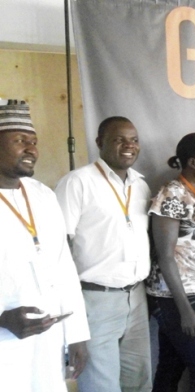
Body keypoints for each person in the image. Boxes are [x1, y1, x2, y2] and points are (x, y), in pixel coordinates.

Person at [55, 116, 153, 392]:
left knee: (139, 380)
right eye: (119, 139)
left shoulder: (140, 185)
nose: (128, 145)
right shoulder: (77, 183)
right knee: (101, 385)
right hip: (95, 298)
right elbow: (57, 246)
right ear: (100, 143)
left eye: (133, 140)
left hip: (136, 296)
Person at [0, 100, 90, 392]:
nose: (32, 149)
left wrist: (76, 333)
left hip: (47, 336)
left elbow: (64, 266)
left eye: (34, 142)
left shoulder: (43, 196)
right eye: (20, 141)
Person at [147, 133, 195, 392]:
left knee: (171, 367)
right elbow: (165, 254)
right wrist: (185, 310)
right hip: (182, 296)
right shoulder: (172, 194)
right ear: (192, 162)